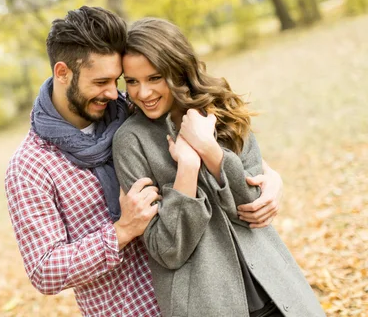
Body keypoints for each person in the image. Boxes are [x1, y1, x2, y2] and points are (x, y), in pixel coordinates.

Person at [5, 6, 283, 316]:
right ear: (62, 73)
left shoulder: (135, 107)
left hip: (205, 296)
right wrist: (122, 231)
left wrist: (268, 176)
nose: (114, 93)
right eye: (100, 82)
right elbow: (44, 269)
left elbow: (216, 149)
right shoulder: (30, 167)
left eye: (117, 80)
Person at [113, 17, 324, 316]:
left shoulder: (220, 108)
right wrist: (187, 167)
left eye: (154, 77)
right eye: (132, 81)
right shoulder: (130, 141)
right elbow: (167, 249)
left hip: (278, 291)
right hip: (207, 306)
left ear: (177, 69)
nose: (143, 93)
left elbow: (254, 206)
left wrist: (210, 152)